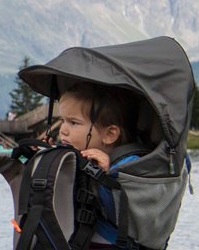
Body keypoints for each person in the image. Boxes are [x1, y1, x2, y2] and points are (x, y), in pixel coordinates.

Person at [56, 82, 146, 247]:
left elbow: (126, 215)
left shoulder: (128, 167)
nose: (63, 130)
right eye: (62, 120)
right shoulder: (73, 156)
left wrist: (105, 177)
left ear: (110, 134)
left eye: (73, 122)